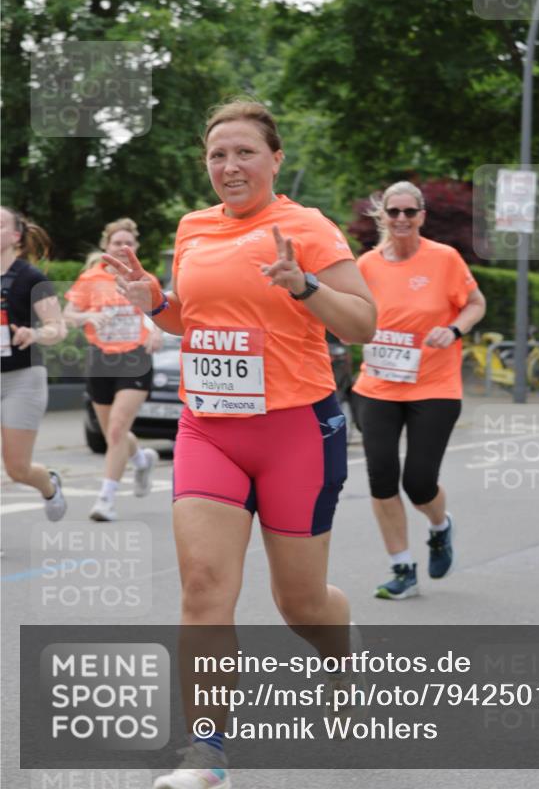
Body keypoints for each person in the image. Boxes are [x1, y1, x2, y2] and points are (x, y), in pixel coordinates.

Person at [103, 100, 376, 789]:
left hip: (295, 432)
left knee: (301, 605)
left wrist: (305, 285)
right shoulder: (193, 228)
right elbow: (196, 319)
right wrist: (153, 302)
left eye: (244, 152)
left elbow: (363, 324)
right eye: (217, 154)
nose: (229, 166)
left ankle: (341, 656)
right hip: (209, 428)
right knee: (203, 588)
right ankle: (207, 752)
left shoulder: (305, 228)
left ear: (274, 159)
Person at [352, 181, 486, 599]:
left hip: (434, 385)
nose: (402, 219)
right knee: (381, 478)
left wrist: (453, 328)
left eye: (410, 212)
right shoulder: (367, 265)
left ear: (422, 216)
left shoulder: (444, 259)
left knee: (420, 482)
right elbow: (351, 313)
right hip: (376, 385)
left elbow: (475, 303)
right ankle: (402, 568)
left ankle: (440, 526)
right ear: (383, 216)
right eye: (394, 212)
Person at [64, 219, 161, 522]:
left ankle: (106, 499)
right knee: (112, 435)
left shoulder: (144, 278)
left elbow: (160, 311)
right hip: (100, 359)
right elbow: (69, 316)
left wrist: (156, 329)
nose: (123, 248)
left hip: (135, 357)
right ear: (106, 246)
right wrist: (90, 315)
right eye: (117, 243)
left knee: (118, 428)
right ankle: (142, 459)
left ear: (136, 248)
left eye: (128, 243)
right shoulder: (90, 278)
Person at [0, 207, 67, 520]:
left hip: (22, 378)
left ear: (15, 236)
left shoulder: (31, 277)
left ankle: (49, 485)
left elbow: (58, 327)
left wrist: (35, 333)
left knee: (17, 468)